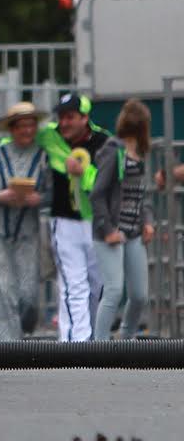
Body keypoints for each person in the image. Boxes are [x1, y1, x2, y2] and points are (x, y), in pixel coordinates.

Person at [0, 102, 48, 340]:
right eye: (21, 126)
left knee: (28, 294)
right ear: (12, 129)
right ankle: (10, 350)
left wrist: (39, 199)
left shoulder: (45, 157)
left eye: (31, 125)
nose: (26, 131)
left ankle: (24, 329)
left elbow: (55, 194)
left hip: (27, 233)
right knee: (3, 289)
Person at [37, 93, 110, 342]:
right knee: (73, 284)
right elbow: (17, 138)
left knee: (97, 284)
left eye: (70, 117)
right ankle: (75, 344)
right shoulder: (49, 134)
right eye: (61, 117)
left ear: (85, 117)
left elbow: (111, 179)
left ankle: (93, 338)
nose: (64, 123)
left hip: (97, 223)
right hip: (65, 222)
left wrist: (85, 173)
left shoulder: (104, 142)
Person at [91, 99, 155, 340]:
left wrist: (147, 221)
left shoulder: (139, 154)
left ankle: (126, 337)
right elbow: (97, 193)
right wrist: (107, 229)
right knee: (114, 290)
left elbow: (142, 194)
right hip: (111, 232)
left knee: (139, 294)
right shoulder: (113, 150)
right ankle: (99, 345)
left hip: (134, 231)